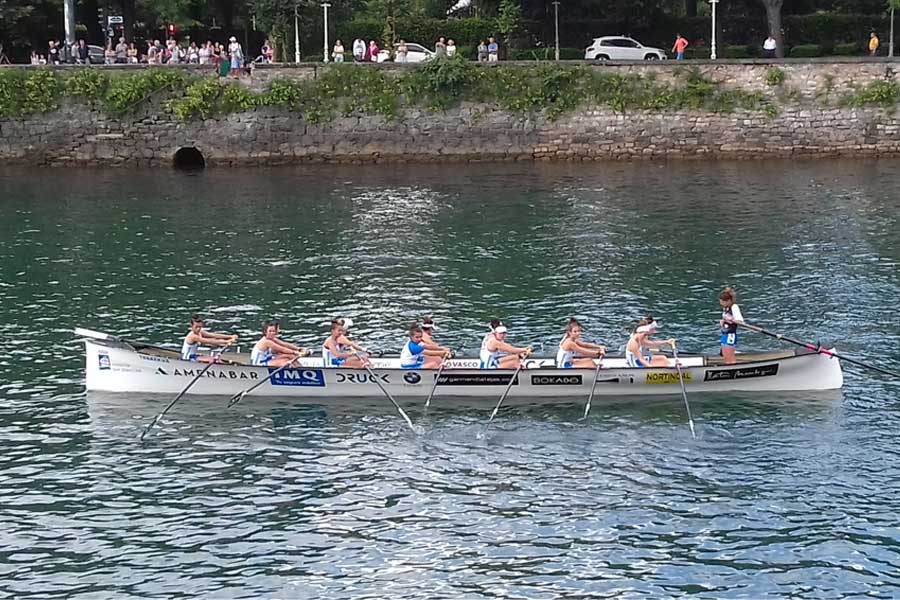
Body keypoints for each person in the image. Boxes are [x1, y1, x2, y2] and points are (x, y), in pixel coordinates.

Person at [719, 287, 744, 365]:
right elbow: (726, 318)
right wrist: (723, 321)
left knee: (730, 355)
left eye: (722, 302)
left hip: (730, 334)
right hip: (725, 333)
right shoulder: (726, 308)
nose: (721, 304)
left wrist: (731, 319)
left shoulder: (734, 307)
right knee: (724, 354)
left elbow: (740, 322)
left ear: (728, 301)